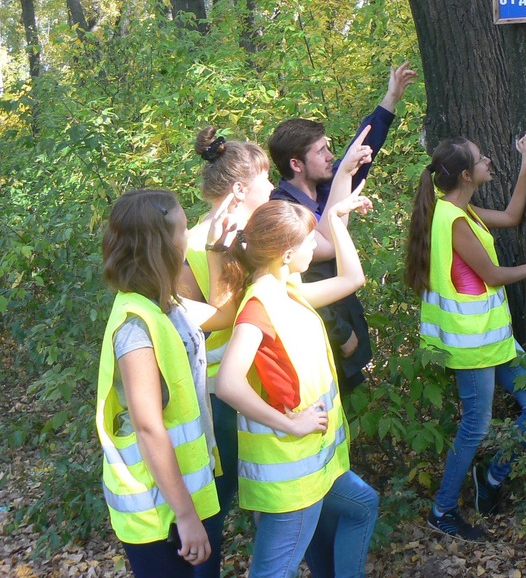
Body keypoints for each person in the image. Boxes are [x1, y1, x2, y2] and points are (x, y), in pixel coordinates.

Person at [214, 184, 378, 578]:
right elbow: (227, 384)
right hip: (291, 477)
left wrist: (336, 220)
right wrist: (291, 423)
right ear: (287, 254)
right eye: (309, 242)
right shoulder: (259, 306)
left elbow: (352, 277)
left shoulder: (287, 290)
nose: (314, 249)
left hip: (315, 465)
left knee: (363, 505)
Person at [405, 131, 526, 542]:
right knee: (475, 426)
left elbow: (511, 217)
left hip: (496, 342)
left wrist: (525, 166)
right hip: (471, 347)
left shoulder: (459, 210)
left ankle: (491, 478)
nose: (490, 159)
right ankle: (442, 510)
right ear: (468, 176)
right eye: (482, 158)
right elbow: (491, 275)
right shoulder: (452, 221)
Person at [95, 190, 226, 577]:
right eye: (184, 229)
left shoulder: (168, 307)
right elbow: (149, 427)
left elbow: (222, 315)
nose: (189, 236)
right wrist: (185, 516)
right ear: (160, 244)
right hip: (155, 509)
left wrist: (220, 247)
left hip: (176, 497)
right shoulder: (136, 327)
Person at [268, 61, 417, 398]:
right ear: (296, 164)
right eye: (321, 151)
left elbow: (360, 153)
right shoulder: (283, 209)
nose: (330, 156)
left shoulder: (322, 186)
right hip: (322, 335)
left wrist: (390, 99)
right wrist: (340, 333)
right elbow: (307, 273)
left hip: (346, 322)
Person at [177, 127, 274, 578]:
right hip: (219, 399)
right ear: (239, 189)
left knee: (269, 497)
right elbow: (207, 319)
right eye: (265, 180)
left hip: (263, 390)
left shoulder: (256, 237)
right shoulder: (192, 245)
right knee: (218, 501)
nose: (273, 189)